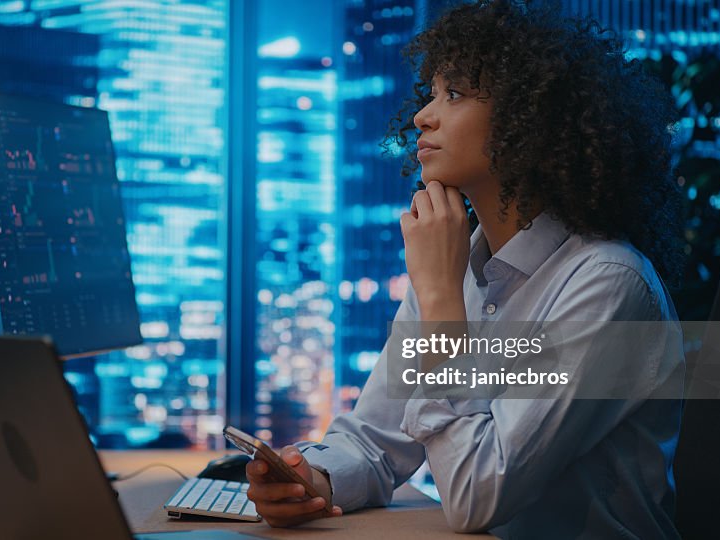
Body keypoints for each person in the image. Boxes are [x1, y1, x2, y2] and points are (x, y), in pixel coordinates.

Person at [244, 0, 686, 538]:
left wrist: (441, 306)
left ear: (530, 118)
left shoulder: (608, 283)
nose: (422, 116)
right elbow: (373, 443)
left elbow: (479, 495)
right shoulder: (454, 266)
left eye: (453, 94)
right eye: (430, 93)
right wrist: (312, 480)